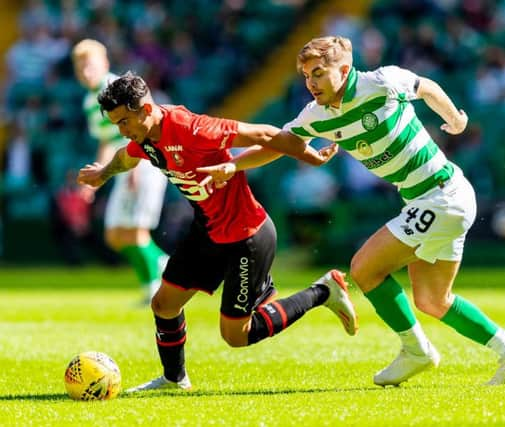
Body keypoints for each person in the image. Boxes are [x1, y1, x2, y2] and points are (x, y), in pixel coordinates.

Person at [198, 36, 505, 386]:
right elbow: (282, 144)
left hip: (440, 195)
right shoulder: (317, 114)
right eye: (305, 75)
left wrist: (455, 120)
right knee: (433, 300)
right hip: (435, 198)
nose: (311, 82)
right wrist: (234, 167)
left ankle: (417, 351)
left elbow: (427, 87)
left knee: (364, 268)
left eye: (318, 72)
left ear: (344, 70)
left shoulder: (381, 82)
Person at [76, 71, 358, 392]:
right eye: (116, 125)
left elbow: (264, 135)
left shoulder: (191, 128)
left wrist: (310, 156)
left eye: (124, 121)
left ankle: (323, 291)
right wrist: (102, 173)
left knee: (236, 335)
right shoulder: (143, 139)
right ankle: (174, 379)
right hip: (207, 229)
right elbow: (126, 158)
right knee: (163, 305)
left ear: (146, 109)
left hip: (246, 235)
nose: (122, 131)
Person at [72, 39, 169, 303]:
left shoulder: (116, 89)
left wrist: (137, 166)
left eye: (89, 63)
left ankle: (154, 287)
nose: (85, 70)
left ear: (105, 63)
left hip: (143, 162)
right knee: (115, 235)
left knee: (136, 231)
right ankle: (162, 266)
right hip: (124, 165)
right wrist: (99, 176)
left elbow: (142, 127)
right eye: (80, 65)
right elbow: (108, 140)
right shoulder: (90, 100)